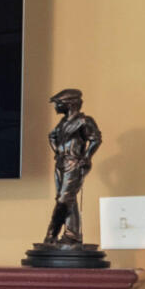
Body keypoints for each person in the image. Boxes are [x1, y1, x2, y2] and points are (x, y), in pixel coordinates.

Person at [42, 88, 101, 249]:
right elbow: (52, 136)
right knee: (68, 200)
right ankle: (72, 235)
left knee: (64, 200)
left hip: (74, 164)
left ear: (69, 104)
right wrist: (58, 151)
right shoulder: (63, 123)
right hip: (61, 163)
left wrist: (86, 157)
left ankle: (51, 235)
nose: (56, 107)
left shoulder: (84, 121)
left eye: (58, 104)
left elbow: (95, 139)